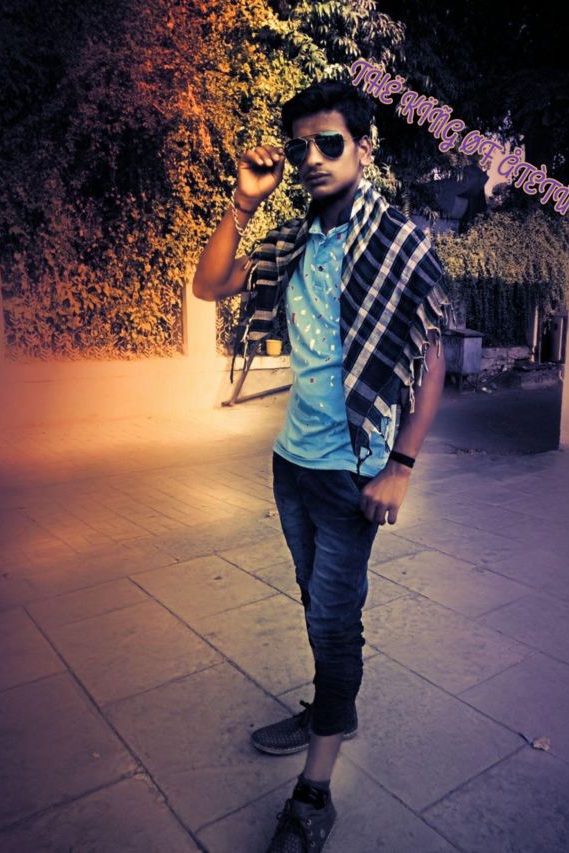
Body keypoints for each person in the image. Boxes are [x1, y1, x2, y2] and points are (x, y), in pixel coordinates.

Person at [192, 79, 453, 853]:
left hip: (354, 472)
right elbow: (210, 284)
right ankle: (331, 708)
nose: (311, 157)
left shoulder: (398, 242)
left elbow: (432, 361)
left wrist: (401, 463)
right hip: (293, 462)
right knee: (318, 603)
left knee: (334, 619)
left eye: (328, 142)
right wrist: (244, 202)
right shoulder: (293, 240)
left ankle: (314, 792)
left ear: (363, 148)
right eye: (299, 145)